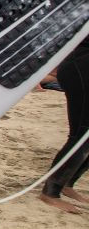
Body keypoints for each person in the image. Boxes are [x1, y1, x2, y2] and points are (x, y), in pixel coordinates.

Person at [40, 36, 89, 213]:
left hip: (79, 65)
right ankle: (51, 192)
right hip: (81, 68)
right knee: (81, 135)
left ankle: (68, 183)